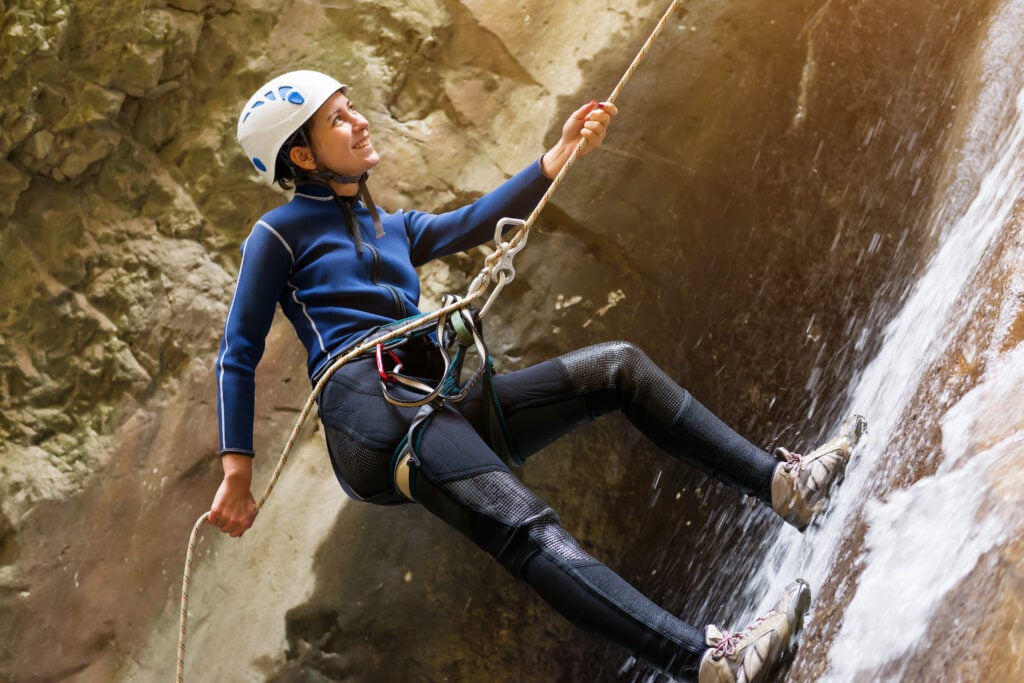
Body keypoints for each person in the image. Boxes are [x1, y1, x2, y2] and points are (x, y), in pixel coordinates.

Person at [209, 70, 865, 682]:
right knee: (526, 525)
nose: (359, 122)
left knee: (618, 368)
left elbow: (468, 222)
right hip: (373, 413)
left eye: (353, 109)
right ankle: (709, 661)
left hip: (435, 395)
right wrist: (237, 472)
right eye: (339, 119)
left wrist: (560, 153)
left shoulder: (389, 226)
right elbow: (237, 350)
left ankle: (785, 485)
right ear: (302, 156)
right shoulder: (278, 234)